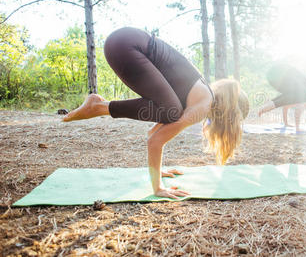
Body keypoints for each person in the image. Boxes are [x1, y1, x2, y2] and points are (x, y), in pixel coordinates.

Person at [63, 27, 249, 199]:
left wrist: (157, 170)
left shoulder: (196, 95)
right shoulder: (202, 105)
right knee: (171, 111)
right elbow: (156, 141)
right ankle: (99, 107)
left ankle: (99, 106)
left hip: (123, 42)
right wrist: (158, 188)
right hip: (127, 46)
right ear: (228, 117)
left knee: (171, 111)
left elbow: (153, 133)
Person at [258, 63, 306, 132]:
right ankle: (271, 104)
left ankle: (270, 103)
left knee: (292, 96)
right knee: (303, 95)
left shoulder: (301, 91)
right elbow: (299, 108)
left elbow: (286, 106)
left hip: (273, 76)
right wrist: (297, 128)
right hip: (280, 72)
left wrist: (286, 123)